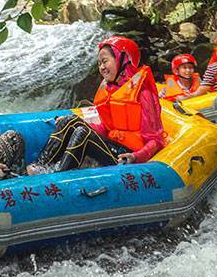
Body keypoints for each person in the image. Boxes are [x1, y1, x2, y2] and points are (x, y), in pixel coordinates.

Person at [26, 36, 165, 175]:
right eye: (99, 64)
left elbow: (156, 140)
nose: (102, 68)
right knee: (70, 120)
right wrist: (78, 122)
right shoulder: (112, 90)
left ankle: (57, 173)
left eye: (105, 61)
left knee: (82, 132)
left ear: (123, 59)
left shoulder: (143, 93)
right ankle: (40, 165)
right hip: (111, 147)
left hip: (127, 155)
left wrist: (136, 156)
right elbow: (106, 128)